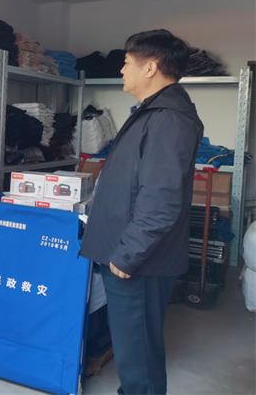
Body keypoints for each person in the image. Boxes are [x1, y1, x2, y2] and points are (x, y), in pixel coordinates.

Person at [80, 30, 204, 395]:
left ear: (150, 68)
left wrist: (129, 253)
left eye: (126, 63)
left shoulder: (168, 119)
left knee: (139, 354)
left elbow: (161, 198)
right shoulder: (154, 113)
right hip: (131, 252)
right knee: (133, 348)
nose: (121, 70)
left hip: (139, 259)